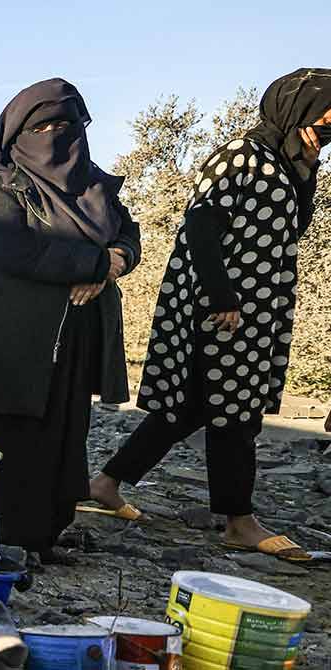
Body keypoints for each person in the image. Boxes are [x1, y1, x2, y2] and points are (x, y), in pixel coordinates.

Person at [89, 69, 331, 562]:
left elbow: (292, 231)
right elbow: (200, 227)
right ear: (297, 109)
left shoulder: (289, 167)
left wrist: (307, 171)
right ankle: (239, 521)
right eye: (323, 120)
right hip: (222, 307)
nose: (325, 131)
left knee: (189, 405)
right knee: (235, 410)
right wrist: (221, 297)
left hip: (258, 306)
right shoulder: (241, 157)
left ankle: (106, 483)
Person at [0, 79, 141, 559]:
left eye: (65, 124)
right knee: (14, 438)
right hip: (19, 337)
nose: (55, 133)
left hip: (79, 333)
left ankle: (47, 533)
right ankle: (7, 537)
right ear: (19, 133)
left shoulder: (95, 185)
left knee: (67, 433)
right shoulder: (2, 184)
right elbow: (15, 250)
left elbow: (128, 235)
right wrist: (97, 264)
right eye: (42, 125)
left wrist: (116, 257)